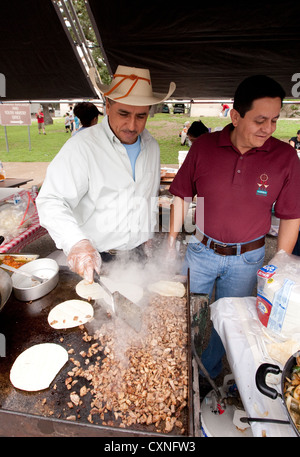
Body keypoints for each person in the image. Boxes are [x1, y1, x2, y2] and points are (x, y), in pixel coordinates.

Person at [168, 75, 300, 381]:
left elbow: (292, 215)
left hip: (247, 259)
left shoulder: (285, 157)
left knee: (227, 322)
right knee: (188, 313)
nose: (269, 128)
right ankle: (179, 370)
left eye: (275, 120)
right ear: (236, 116)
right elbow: (181, 195)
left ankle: (207, 376)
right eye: (260, 120)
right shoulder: (203, 146)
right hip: (200, 250)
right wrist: (170, 241)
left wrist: (280, 263)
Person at [36, 65, 176, 283]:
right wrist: (77, 243)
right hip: (96, 256)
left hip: (138, 257)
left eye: (141, 116)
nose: (132, 125)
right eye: (124, 113)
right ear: (107, 106)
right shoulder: (82, 147)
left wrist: (146, 235)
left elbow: (147, 196)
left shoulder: (153, 147)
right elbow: (51, 200)